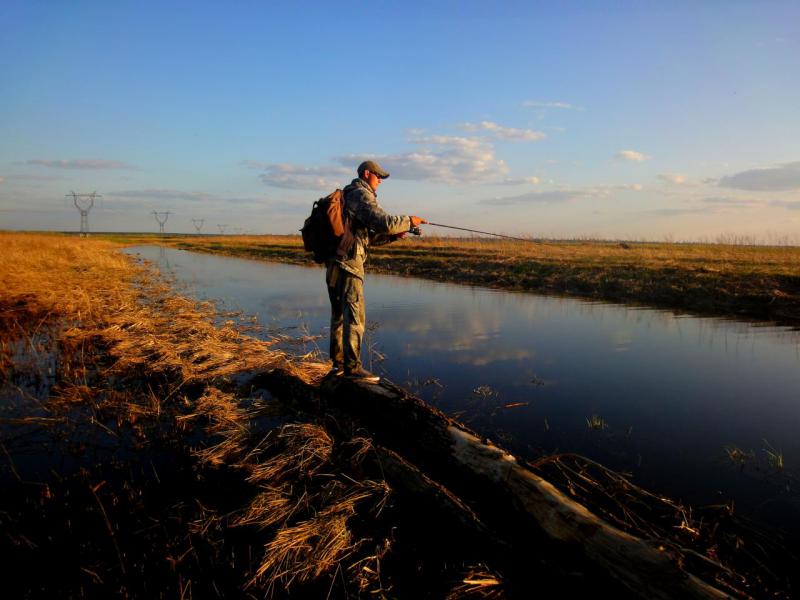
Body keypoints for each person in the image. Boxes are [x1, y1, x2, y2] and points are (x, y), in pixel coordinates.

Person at [326, 160, 425, 384]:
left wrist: (392, 237)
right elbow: (384, 222)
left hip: (336, 264)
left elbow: (366, 238)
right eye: (379, 176)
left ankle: (339, 366)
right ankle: (352, 368)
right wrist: (409, 221)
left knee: (339, 317)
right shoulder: (360, 194)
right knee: (354, 317)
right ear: (367, 173)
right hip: (348, 266)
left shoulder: (349, 196)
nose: (380, 180)